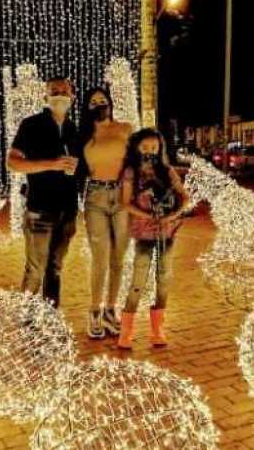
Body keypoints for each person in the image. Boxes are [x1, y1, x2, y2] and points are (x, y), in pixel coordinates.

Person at [7, 77, 80, 308]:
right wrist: (52, 164)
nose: (59, 95)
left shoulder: (73, 128)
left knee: (55, 268)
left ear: (72, 97)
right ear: (45, 97)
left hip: (68, 210)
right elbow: (13, 162)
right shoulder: (31, 125)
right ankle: (29, 320)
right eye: (54, 91)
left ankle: (50, 317)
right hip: (39, 209)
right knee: (36, 269)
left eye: (64, 92)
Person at [117, 128, 188, 349]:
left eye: (155, 147)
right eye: (145, 147)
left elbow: (184, 198)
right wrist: (148, 215)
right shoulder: (131, 172)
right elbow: (126, 203)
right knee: (138, 280)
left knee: (164, 278)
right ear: (137, 148)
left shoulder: (166, 171)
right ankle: (126, 332)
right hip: (144, 234)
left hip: (167, 232)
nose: (150, 151)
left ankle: (157, 330)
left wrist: (171, 216)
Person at [80, 87, 132, 339]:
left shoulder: (125, 129)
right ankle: (94, 311)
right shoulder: (84, 134)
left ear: (110, 103)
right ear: (88, 108)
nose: (99, 104)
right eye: (93, 102)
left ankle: (111, 310)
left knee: (119, 258)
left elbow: (139, 161)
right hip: (96, 196)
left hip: (122, 196)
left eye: (102, 100)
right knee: (100, 258)